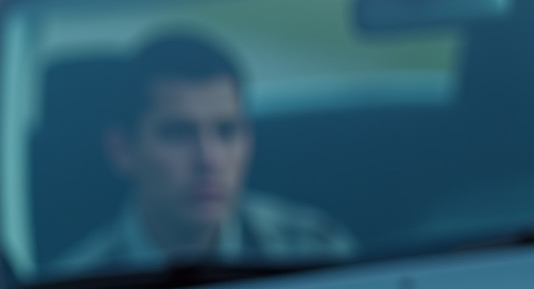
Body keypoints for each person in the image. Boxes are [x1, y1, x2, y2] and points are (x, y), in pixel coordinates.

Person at [57, 33, 354, 271]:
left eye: (226, 131)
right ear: (122, 149)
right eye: (178, 133)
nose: (208, 160)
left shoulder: (311, 252)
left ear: (249, 139)